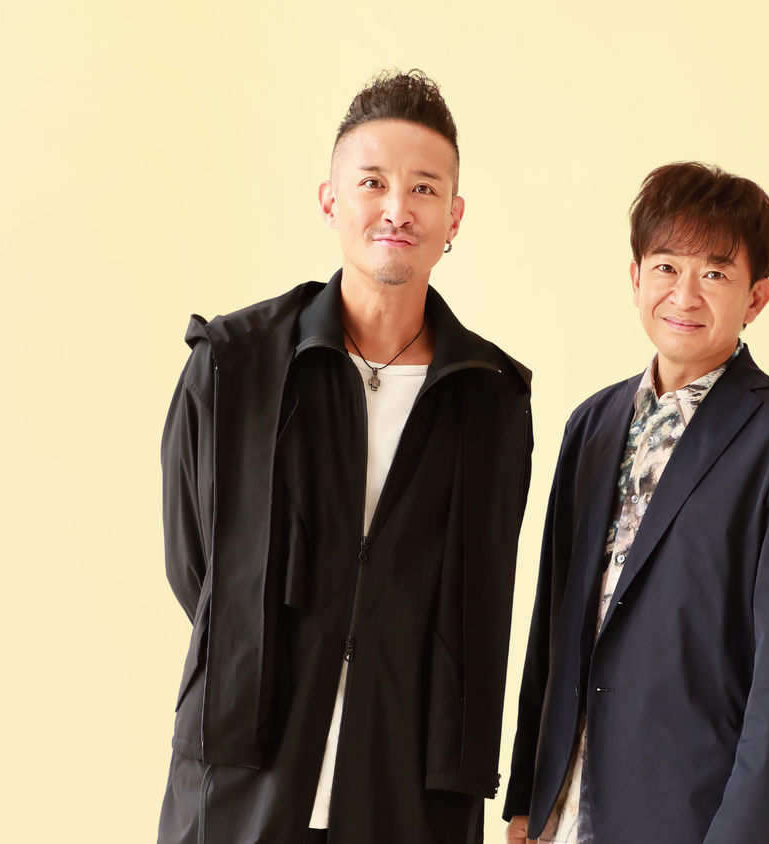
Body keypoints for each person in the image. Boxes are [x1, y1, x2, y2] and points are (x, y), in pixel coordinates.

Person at [156, 70, 533, 844]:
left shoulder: (492, 399)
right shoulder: (235, 366)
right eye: (373, 182)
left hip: (411, 793)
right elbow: (197, 567)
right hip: (245, 775)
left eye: (424, 188)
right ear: (331, 200)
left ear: (454, 216)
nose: (398, 208)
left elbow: (483, 591)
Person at [504, 162, 769, 844]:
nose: (684, 294)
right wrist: (526, 799)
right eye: (665, 267)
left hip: (689, 815)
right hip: (562, 809)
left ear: (757, 297)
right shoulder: (592, 423)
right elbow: (552, 626)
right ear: (635, 278)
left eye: (715, 273)